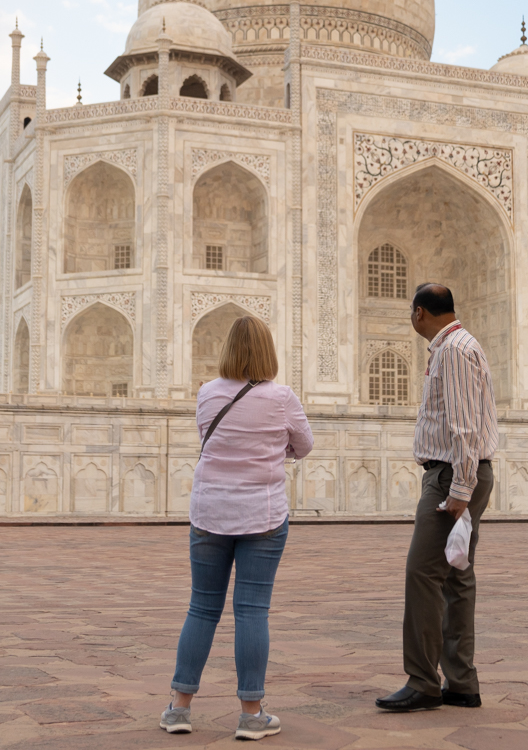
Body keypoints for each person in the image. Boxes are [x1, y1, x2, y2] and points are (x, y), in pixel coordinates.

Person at [163, 316, 313, 740]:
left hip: (209, 513)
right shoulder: (281, 398)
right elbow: (304, 446)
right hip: (262, 514)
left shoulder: (207, 393)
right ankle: (251, 714)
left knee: (202, 608)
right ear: (268, 351)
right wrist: (272, 447)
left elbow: (208, 438)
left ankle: (179, 708)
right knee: (251, 611)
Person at [376, 283, 498, 713]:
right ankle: (462, 682)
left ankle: (424, 681)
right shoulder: (458, 346)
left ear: (420, 313)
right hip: (459, 474)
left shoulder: (453, 350)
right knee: (456, 576)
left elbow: (464, 425)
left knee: (423, 575)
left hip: (452, 477)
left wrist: (460, 488)